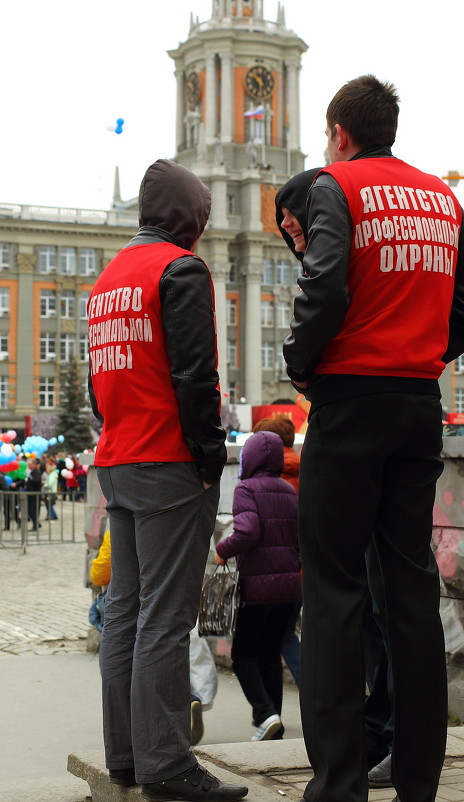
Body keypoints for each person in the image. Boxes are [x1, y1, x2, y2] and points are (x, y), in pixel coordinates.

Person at [282, 74, 464, 802]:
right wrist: (426, 354)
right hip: (419, 403)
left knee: (333, 591)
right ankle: (420, 778)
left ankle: (339, 783)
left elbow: (323, 286)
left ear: (340, 133)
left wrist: (304, 366)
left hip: (350, 399)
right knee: (412, 588)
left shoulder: (336, 186)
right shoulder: (444, 199)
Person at [87, 158, 247, 802]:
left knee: (123, 611)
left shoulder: (109, 279)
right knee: (166, 615)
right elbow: (195, 377)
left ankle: (125, 754)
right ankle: (167, 762)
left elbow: (98, 386)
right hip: (168, 461)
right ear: (189, 216)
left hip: (118, 458)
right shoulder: (179, 270)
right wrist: (209, 459)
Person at [275, 167, 394, 773]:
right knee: (387, 597)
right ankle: (393, 743)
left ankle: (354, 755)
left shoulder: (338, 223)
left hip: (353, 413)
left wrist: (302, 365)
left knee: (358, 596)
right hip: (399, 405)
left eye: (296, 228)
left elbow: (324, 296)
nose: (295, 241)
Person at [89, 530, 218, 745]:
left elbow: (100, 573)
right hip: (163, 598)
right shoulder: (169, 526)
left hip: (126, 603)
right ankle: (188, 699)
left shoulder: (119, 528)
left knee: (125, 658)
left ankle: (129, 736)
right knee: (162, 652)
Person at [214, 431, 301, 741]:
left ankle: (265, 714)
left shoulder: (246, 489)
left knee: (243, 655)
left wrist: (222, 550)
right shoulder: (289, 491)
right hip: (290, 588)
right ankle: (270, 726)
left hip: (259, 587)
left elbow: (248, 532)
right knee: (269, 654)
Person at [252, 413, 302, 685]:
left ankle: (268, 711)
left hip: (274, 571)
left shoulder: (267, 478)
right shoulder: (307, 468)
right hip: (305, 566)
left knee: (275, 637)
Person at [26, 457, 42, 530]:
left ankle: (35, 525)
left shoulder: (37, 472)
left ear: (34, 464)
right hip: (29, 494)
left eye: (30, 464)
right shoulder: (31, 472)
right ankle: (36, 523)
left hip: (35, 494)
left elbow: (37, 480)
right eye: (28, 464)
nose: (29, 466)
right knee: (29, 511)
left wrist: (30, 478)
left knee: (34, 510)